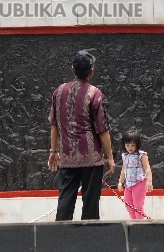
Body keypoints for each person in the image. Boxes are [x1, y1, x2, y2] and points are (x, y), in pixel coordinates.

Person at [48, 50, 115, 221]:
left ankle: (61, 242)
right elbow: (103, 129)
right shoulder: (95, 94)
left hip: (67, 157)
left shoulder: (59, 92)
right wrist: (110, 157)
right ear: (91, 72)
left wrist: (53, 151)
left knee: (65, 201)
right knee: (90, 204)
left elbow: (54, 124)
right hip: (91, 159)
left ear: (72, 69)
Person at [117, 130, 152, 219]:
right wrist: (120, 182)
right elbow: (124, 169)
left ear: (137, 144)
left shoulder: (142, 155)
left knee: (138, 205)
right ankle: (134, 221)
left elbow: (147, 168)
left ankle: (139, 226)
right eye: (127, 145)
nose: (130, 147)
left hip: (139, 183)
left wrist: (149, 181)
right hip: (128, 184)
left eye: (133, 145)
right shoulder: (125, 155)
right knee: (128, 205)